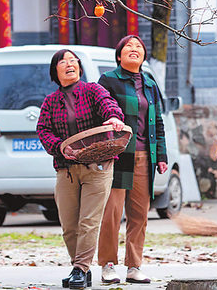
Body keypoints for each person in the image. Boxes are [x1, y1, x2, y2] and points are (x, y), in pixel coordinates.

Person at [36, 48, 127, 290]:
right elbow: (43, 130)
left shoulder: (93, 90)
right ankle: (81, 268)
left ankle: (79, 269)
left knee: (88, 221)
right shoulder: (50, 101)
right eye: (63, 62)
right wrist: (60, 147)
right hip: (66, 168)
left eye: (73, 60)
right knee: (69, 225)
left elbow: (109, 105)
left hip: (98, 166)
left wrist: (114, 117)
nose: (69, 64)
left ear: (79, 67)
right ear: (55, 71)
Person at [96, 36, 169, 285]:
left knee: (139, 214)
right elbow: (100, 113)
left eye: (139, 46)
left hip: (143, 157)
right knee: (112, 213)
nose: (134, 49)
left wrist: (161, 155)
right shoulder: (108, 80)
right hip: (117, 156)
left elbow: (158, 121)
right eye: (129, 46)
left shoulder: (149, 84)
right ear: (119, 55)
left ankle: (134, 265)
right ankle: (108, 264)